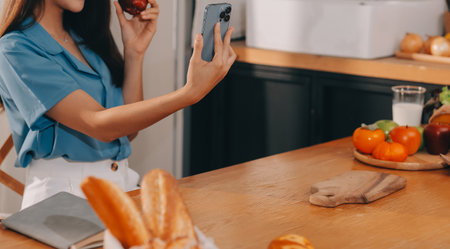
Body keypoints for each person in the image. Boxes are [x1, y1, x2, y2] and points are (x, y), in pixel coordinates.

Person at [0, 0, 236, 209]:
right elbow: (98, 124)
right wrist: (188, 94)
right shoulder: (15, 48)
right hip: (62, 201)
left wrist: (134, 53)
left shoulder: (83, 38)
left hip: (121, 186)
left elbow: (126, 132)